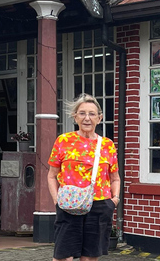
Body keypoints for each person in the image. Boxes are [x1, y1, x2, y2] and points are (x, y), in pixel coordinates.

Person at [48, 94, 120, 261]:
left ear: (99, 118)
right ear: (75, 116)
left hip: (99, 205)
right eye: (82, 113)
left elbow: (115, 177)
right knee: (63, 256)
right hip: (68, 205)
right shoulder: (63, 141)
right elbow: (51, 175)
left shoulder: (107, 145)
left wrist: (114, 200)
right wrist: (56, 200)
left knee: (89, 257)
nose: (87, 118)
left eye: (92, 114)